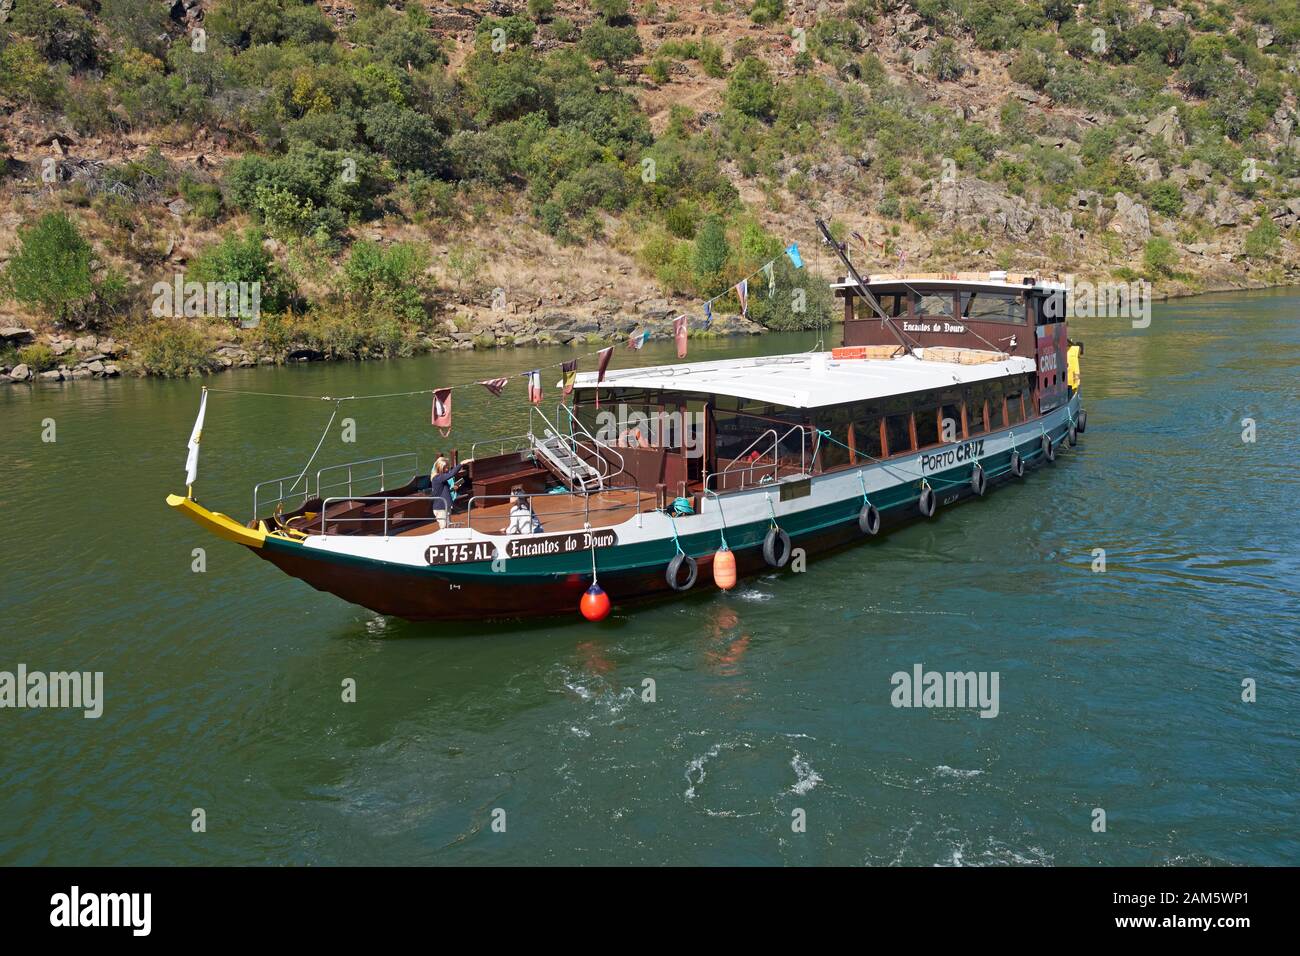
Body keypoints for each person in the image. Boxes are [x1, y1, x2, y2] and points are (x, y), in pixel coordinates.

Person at [430, 455, 466, 528]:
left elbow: (443, 492)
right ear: (440, 468)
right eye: (445, 467)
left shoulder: (441, 479)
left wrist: (452, 488)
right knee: (444, 527)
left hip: (446, 506)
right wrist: (461, 463)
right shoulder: (437, 478)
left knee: (448, 526)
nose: (447, 469)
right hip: (440, 508)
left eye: (447, 467)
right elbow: (451, 474)